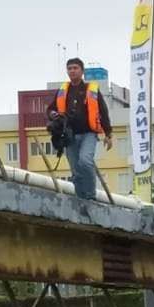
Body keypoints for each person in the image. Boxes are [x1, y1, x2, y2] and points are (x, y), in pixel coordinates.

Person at [49, 57, 114, 201]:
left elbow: (103, 112)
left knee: (85, 161)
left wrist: (108, 134)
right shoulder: (63, 91)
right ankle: (81, 200)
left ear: (82, 71)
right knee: (76, 171)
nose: (72, 71)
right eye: (69, 68)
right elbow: (51, 109)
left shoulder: (91, 90)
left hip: (88, 134)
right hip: (70, 135)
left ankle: (91, 197)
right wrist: (54, 115)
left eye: (75, 68)